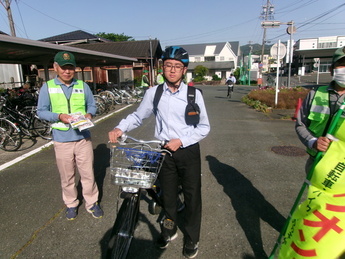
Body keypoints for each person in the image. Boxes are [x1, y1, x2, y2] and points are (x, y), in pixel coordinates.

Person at [108, 46, 210, 258]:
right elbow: (138, 116)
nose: (172, 70)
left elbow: (204, 127)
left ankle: (192, 237)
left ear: (184, 70)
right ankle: (169, 230)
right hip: (164, 151)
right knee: (168, 196)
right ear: (162, 68)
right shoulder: (153, 93)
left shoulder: (194, 94)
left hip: (188, 151)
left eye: (177, 67)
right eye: (168, 65)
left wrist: (181, 140)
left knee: (192, 197)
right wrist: (120, 127)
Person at [37, 51, 103, 220]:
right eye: (63, 68)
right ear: (55, 67)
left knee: (88, 173)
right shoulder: (48, 87)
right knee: (67, 176)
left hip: (83, 138)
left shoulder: (83, 86)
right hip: (62, 139)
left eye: (70, 68)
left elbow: (92, 106)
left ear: (75, 69)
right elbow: (41, 111)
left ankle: (92, 203)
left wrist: (89, 115)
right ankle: (71, 203)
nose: (67, 72)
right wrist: (58, 116)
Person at [295, 46, 345, 174]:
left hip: (341, 167)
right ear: (331, 69)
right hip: (316, 162)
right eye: (342, 64)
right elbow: (301, 124)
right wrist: (313, 142)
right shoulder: (314, 94)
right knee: (314, 194)